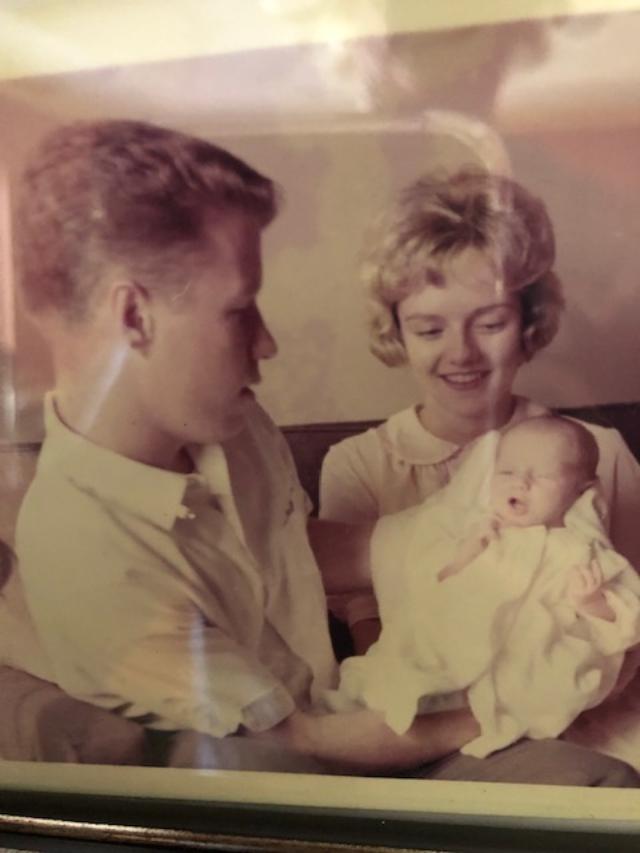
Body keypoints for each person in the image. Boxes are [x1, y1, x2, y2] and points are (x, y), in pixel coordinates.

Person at [11, 120, 638, 785]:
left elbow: (298, 552)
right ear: (135, 316)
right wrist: (527, 695)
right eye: (239, 310)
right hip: (319, 771)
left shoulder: (231, 425)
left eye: (489, 321)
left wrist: (492, 523)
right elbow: (303, 743)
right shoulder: (89, 561)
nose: (268, 344)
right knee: (598, 785)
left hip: (365, 709)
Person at [319, 169, 640, 654]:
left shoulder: (604, 454)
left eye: (489, 324)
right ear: (397, 333)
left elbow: (631, 622)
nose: (462, 353)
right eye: (430, 330)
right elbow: (368, 634)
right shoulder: (359, 466)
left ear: (529, 321)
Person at [325, 416, 640, 759]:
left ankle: (465, 726)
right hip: (454, 648)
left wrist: (591, 602)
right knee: (392, 678)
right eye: (507, 472)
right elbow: (429, 589)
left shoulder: (580, 552)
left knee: (546, 685)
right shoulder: (478, 533)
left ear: (582, 491)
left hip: (524, 665)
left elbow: (624, 621)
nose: (520, 482)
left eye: (543, 476)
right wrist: (464, 557)